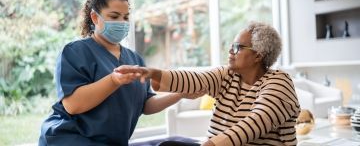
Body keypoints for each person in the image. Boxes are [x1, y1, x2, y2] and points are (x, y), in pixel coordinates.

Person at [39, 0, 203, 146]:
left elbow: (146, 104)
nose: (122, 22)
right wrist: (114, 81)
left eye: (125, 17)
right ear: (95, 18)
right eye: (114, 16)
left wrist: (180, 94)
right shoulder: (76, 52)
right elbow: (73, 105)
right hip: (69, 139)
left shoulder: (134, 59)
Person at [117, 22, 300, 146]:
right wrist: (154, 73)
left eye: (237, 47)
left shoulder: (278, 83)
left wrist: (210, 145)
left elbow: (253, 124)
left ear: (258, 55)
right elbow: (196, 79)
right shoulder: (227, 74)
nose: (230, 51)